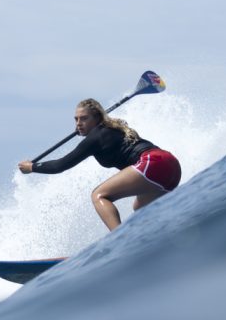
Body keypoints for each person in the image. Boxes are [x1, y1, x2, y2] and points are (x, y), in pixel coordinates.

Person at [18, 98, 181, 231]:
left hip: (152, 163)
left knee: (99, 195)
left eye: (84, 118)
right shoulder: (113, 128)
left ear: (97, 118)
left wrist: (32, 167)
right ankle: (158, 235)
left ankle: (120, 240)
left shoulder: (96, 136)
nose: (79, 123)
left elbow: (60, 165)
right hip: (171, 166)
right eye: (76, 119)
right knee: (140, 208)